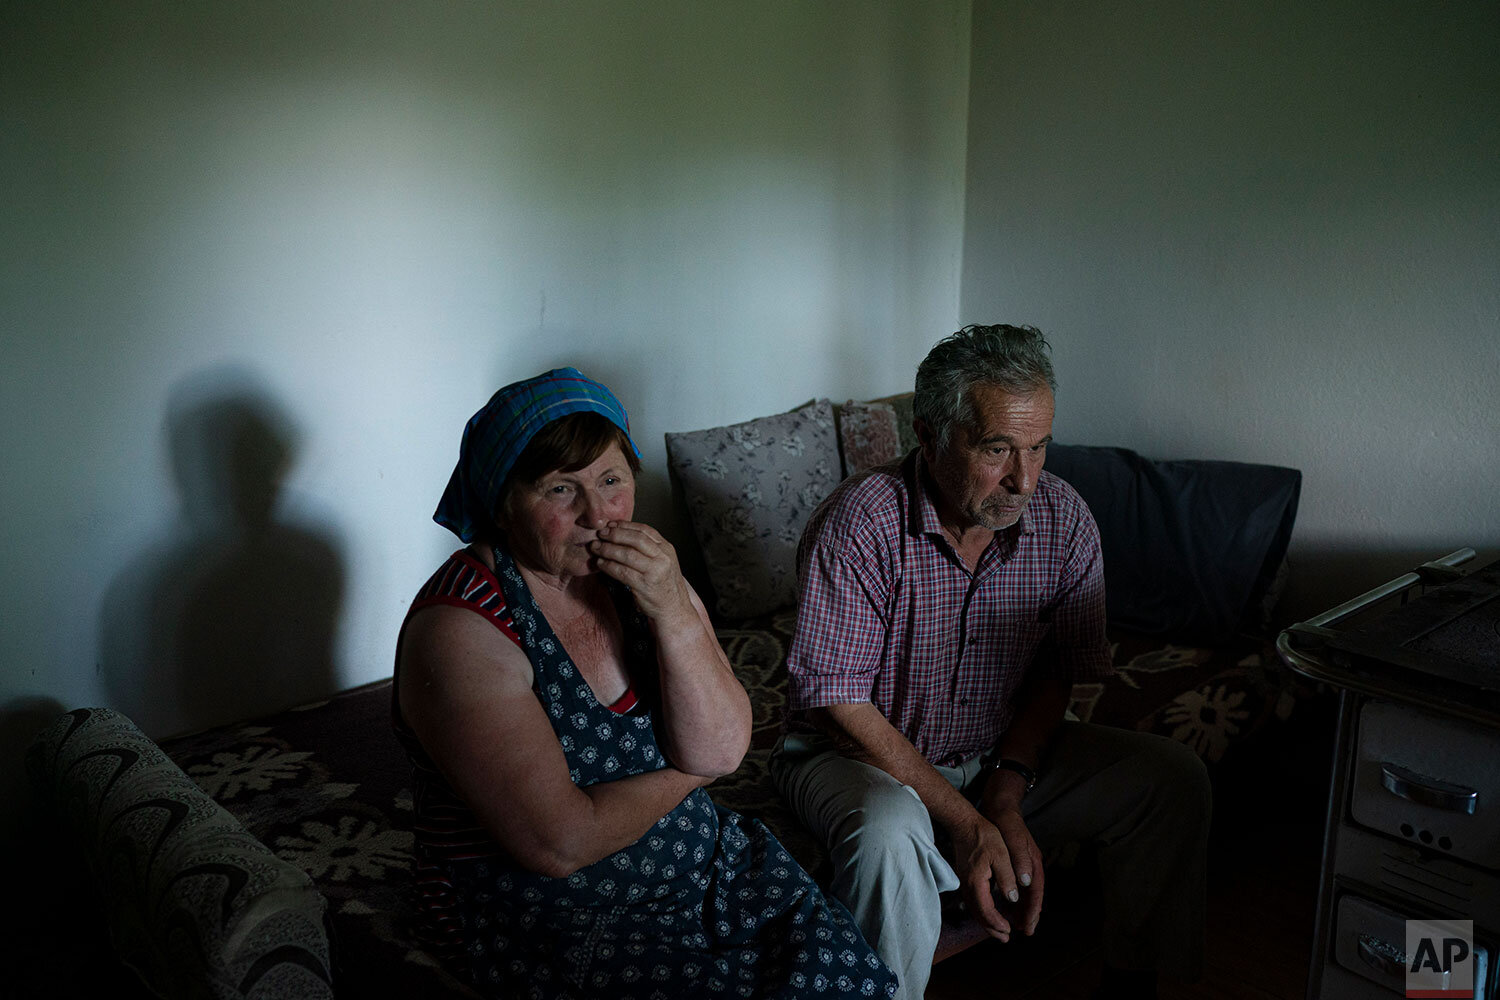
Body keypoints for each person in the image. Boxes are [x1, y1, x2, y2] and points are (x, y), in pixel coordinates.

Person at [393, 367, 897, 1000]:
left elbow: (722, 735)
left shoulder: (640, 575)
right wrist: (700, 770)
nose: (596, 514)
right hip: (549, 915)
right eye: (559, 490)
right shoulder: (463, 629)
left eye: (610, 480)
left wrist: (673, 609)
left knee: (835, 969)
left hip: (698, 869)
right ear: (503, 502)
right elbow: (559, 842)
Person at [770, 326, 1210, 1000]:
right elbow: (838, 703)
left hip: (995, 755)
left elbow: (1057, 670)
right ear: (929, 434)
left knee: (1170, 779)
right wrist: (967, 820)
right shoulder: (860, 524)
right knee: (890, 833)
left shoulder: (1065, 520)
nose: (1024, 479)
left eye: (1038, 448)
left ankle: (1132, 984)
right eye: (997, 449)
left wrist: (1005, 794)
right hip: (848, 755)